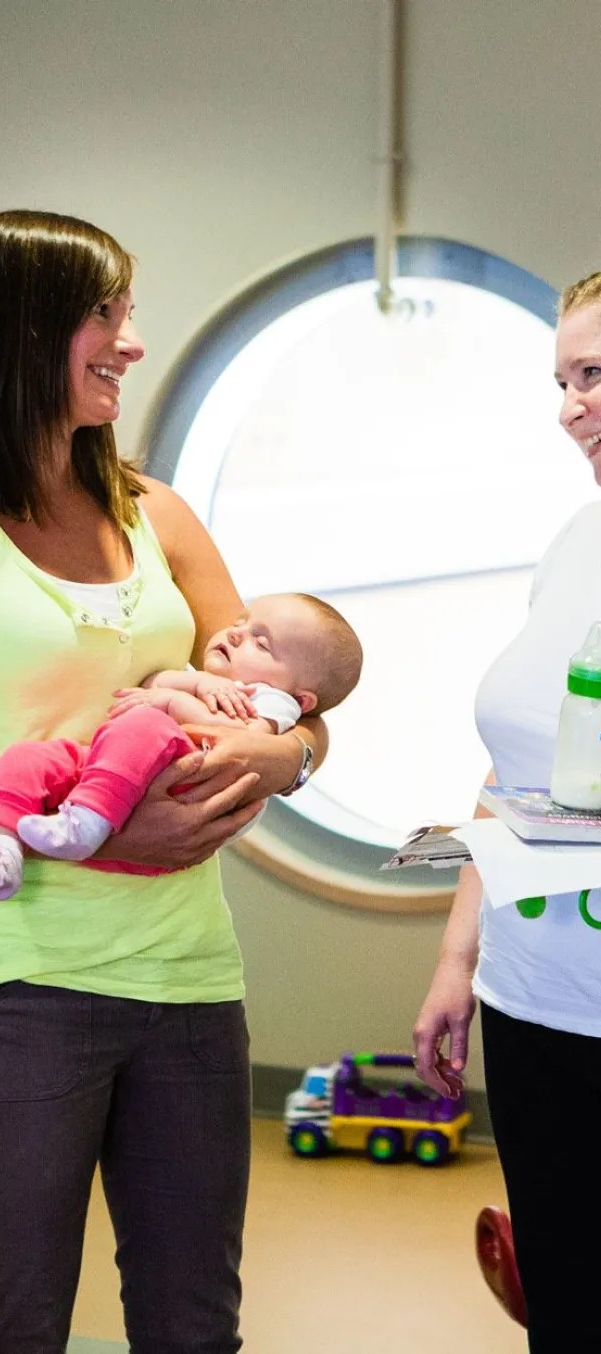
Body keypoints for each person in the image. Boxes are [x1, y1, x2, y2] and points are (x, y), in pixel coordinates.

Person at [0, 209, 328, 1354]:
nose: (130, 343)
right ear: (19, 329)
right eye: (104, 315)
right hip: (17, 993)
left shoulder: (155, 512)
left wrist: (283, 754)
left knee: (194, 1326)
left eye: (129, 313)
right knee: (16, 1332)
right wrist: (107, 835)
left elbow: (290, 700)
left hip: (188, 984)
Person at [412, 270, 601, 1351]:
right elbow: (514, 768)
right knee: (566, 1313)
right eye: (562, 380)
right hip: (535, 1006)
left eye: (595, 374)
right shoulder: (576, 540)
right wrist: (456, 960)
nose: (570, 405)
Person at [0, 591, 361, 900]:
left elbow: (245, 744)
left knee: (146, 722)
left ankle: (86, 825)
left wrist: (176, 703)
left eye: (261, 642)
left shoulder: (271, 700)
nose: (236, 632)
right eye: (242, 620)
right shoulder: (208, 678)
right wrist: (196, 683)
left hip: (178, 786)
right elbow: (154, 685)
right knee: (30, 757)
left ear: (301, 697)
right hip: (112, 770)